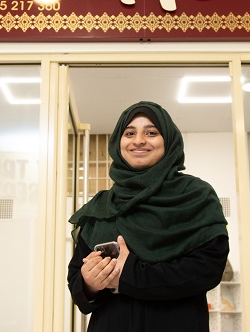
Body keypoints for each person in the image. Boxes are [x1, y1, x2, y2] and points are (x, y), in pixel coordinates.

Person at [67, 101, 230, 332]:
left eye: (151, 132)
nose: (139, 140)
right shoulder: (102, 205)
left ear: (169, 141)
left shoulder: (195, 196)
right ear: (118, 142)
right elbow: (76, 276)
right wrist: (90, 283)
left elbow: (208, 269)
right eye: (129, 133)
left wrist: (130, 274)